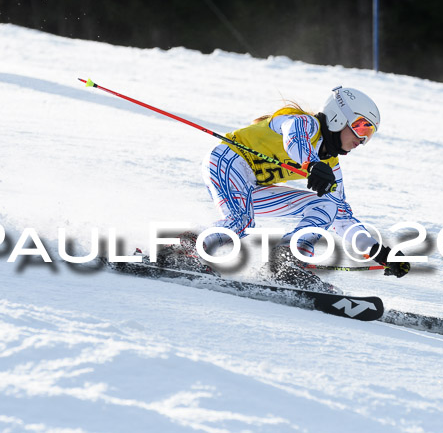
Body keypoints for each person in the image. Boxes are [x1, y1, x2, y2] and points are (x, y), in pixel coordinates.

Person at [157, 86, 410, 289]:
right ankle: (184, 250)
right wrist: (311, 163)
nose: (363, 139)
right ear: (338, 117)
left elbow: (343, 218)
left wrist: (378, 252)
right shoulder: (304, 124)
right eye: (361, 126)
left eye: (370, 133)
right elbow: (294, 139)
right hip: (227, 160)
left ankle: (287, 261)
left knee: (327, 205)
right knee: (241, 220)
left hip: (251, 186)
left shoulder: (329, 165)